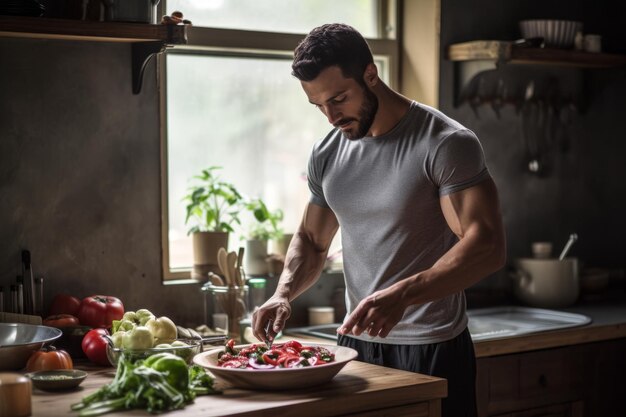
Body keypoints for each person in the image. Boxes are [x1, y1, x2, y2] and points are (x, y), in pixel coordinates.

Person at [252, 23, 506, 417]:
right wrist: (283, 293)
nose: (331, 116)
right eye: (318, 105)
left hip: (431, 346)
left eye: (339, 98)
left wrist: (403, 295)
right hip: (356, 347)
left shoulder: (444, 143)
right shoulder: (327, 153)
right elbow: (312, 239)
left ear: (371, 74)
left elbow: (486, 246)